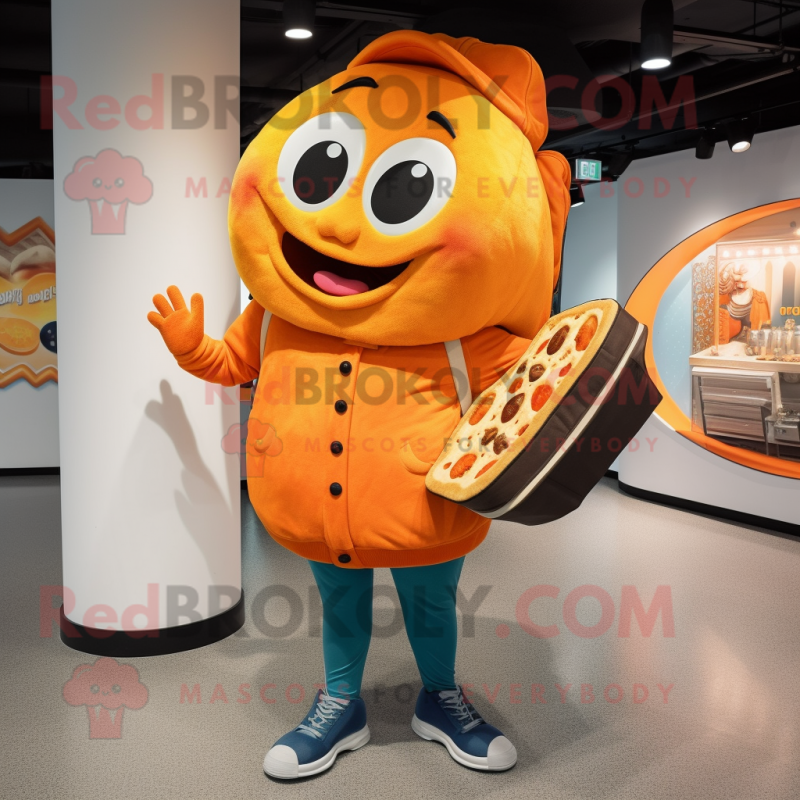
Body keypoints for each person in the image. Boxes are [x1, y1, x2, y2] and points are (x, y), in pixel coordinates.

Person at [148, 30, 570, 779]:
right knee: (339, 606)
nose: (342, 228)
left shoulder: (464, 334)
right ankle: (339, 705)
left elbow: (539, 381)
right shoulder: (274, 317)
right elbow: (231, 366)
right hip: (318, 510)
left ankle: (441, 698)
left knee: (432, 606)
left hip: (426, 507)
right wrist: (190, 348)